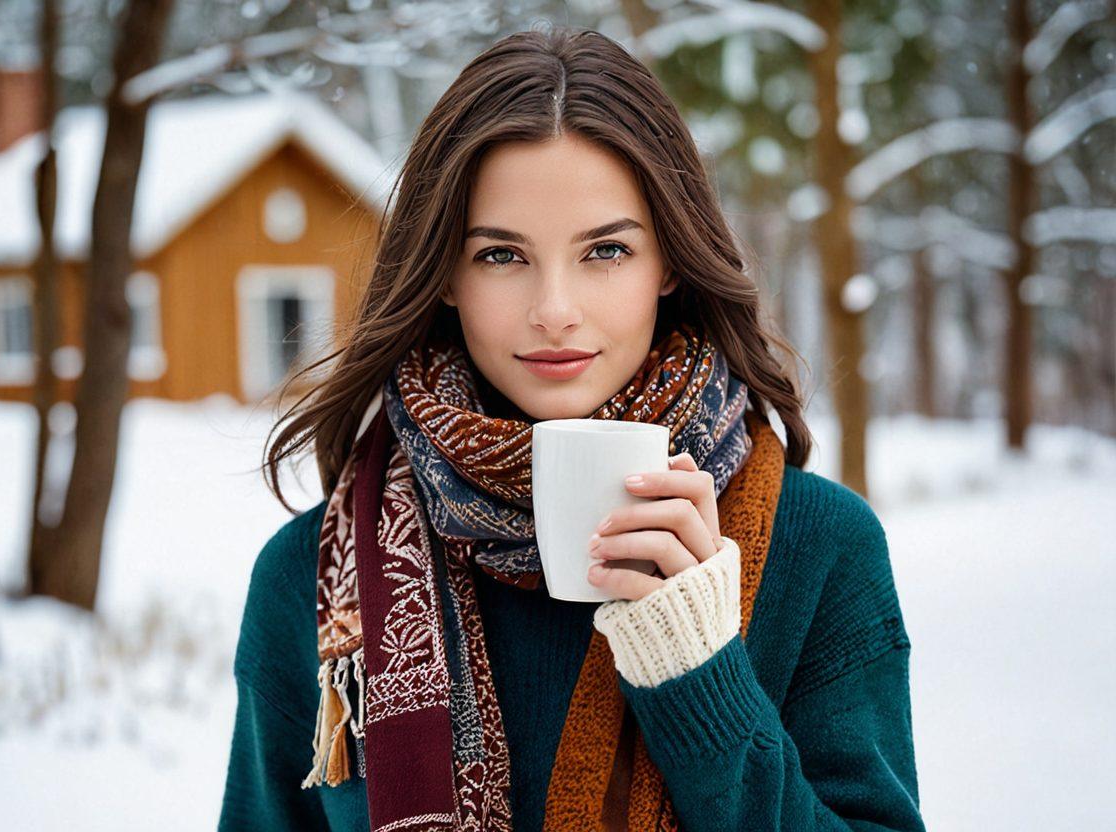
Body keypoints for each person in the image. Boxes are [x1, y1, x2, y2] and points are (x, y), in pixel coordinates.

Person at [218, 25, 925, 832]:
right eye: (500, 256)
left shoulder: (823, 549)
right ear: (442, 271)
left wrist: (699, 673)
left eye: (606, 251)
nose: (555, 310)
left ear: (670, 262)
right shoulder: (309, 582)